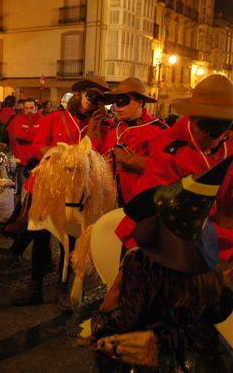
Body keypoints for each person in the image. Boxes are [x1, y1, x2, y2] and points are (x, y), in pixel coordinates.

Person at [90, 158, 233, 372]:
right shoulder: (207, 264)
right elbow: (218, 313)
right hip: (205, 355)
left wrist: (101, 317)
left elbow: (124, 321)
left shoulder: (141, 262)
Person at [10, 76, 113, 308]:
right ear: (79, 94)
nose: (92, 102)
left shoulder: (104, 126)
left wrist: (95, 129)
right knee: (41, 237)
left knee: (74, 241)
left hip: (79, 194)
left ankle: (62, 288)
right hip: (50, 187)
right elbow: (38, 145)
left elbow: (99, 158)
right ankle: (34, 287)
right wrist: (58, 155)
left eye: (98, 98)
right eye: (89, 95)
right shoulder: (55, 118)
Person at [115, 74, 233, 259]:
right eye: (207, 129)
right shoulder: (167, 148)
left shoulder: (227, 143)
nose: (215, 137)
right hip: (168, 233)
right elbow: (161, 215)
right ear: (192, 119)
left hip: (214, 235)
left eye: (223, 126)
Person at [101, 78, 167, 205]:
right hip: (109, 204)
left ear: (140, 102)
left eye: (124, 101)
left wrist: (129, 161)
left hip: (141, 206)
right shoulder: (113, 132)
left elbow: (165, 170)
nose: (118, 107)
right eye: (117, 102)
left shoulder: (158, 131)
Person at [6, 98, 40, 180]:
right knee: (23, 184)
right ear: (23, 109)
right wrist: (36, 136)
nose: (29, 110)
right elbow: (20, 136)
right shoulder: (17, 119)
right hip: (23, 158)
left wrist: (29, 135)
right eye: (26, 108)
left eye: (31, 108)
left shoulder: (43, 119)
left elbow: (44, 136)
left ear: (36, 108)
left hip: (38, 158)